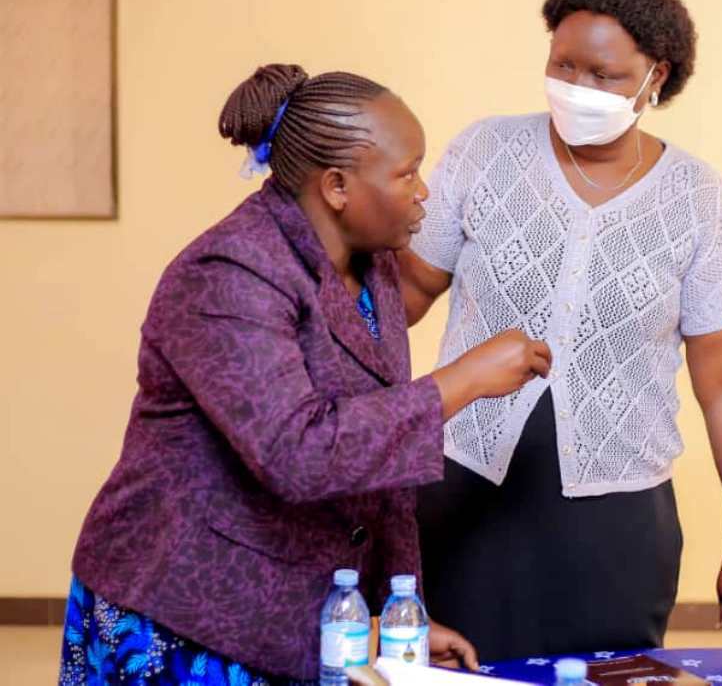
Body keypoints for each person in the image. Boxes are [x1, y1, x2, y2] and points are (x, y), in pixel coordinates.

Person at [62, 64, 552, 685]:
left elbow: (383, 476)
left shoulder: (373, 267)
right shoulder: (227, 274)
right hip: (181, 611)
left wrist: (400, 621)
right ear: (338, 186)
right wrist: (462, 381)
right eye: (406, 173)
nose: (423, 191)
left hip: (297, 609)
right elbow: (299, 451)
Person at [400, 0, 722, 662]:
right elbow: (406, 295)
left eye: (602, 74)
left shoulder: (696, 198)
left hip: (618, 522)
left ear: (654, 76)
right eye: (563, 65)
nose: (577, 88)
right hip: (463, 495)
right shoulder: (484, 153)